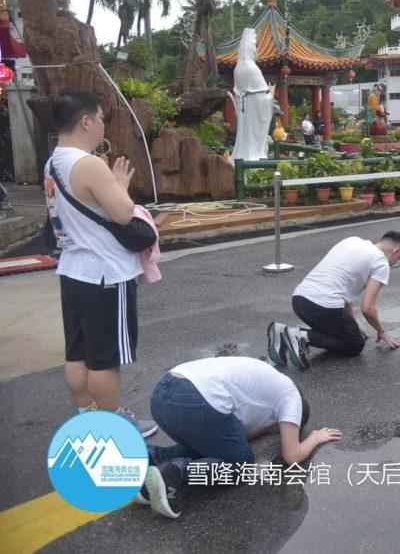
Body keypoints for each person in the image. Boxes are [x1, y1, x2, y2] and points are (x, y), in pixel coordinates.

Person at [44, 90, 156, 437]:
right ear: (86, 120)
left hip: (73, 270)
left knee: (77, 351)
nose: (103, 125)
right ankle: (114, 426)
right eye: (102, 118)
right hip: (106, 273)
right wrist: (120, 185)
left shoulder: (53, 162)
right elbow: (123, 213)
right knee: (105, 359)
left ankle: (85, 413)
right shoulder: (89, 164)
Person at [141, 357, 340, 519]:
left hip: (163, 395)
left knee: (209, 445)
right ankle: (175, 473)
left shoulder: (266, 382)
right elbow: (291, 456)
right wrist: (315, 437)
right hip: (196, 399)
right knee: (241, 464)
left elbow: (227, 437)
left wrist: (262, 430)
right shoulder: (291, 398)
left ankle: (153, 457)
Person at [269, 232, 400, 369]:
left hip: (300, 301)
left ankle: (280, 334)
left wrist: (352, 325)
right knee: (355, 345)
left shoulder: (352, 240)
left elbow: (345, 295)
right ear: (395, 251)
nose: (394, 263)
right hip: (323, 307)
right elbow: (367, 308)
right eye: (398, 258)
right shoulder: (381, 262)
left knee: (347, 333)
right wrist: (381, 331)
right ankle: (301, 336)